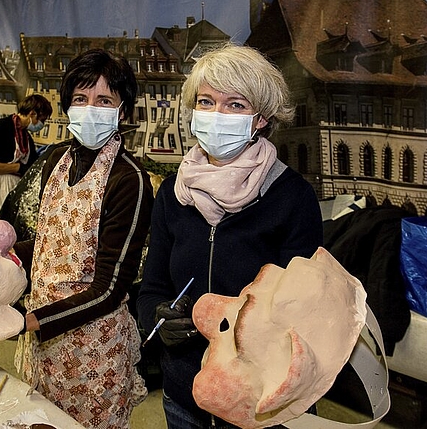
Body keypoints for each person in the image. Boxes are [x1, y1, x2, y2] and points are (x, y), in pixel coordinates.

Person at [136, 43, 323, 429]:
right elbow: (152, 286)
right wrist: (158, 318)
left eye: (235, 105)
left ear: (260, 120)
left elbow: (301, 313)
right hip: (186, 392)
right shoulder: (172, 193)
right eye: (206, 101)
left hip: (263, 401)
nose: (216, 115)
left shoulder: (292, 197)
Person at [12, 49, 153, 429]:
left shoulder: (129, 180)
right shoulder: (55, 159)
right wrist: (3, 254)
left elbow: (110, 288)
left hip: (93, 350)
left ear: (122, 113)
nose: (90, 108)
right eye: (80, 99)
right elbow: (49, 245)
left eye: (104, 100)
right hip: (43, 340)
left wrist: (28, 322)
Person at [0, 93, 53, 224]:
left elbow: (33, 165)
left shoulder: (26, 138)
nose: (42, 124)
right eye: (42, 120)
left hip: (14, 192)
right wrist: (17, 167)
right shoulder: (2, 128)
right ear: (32, 114)